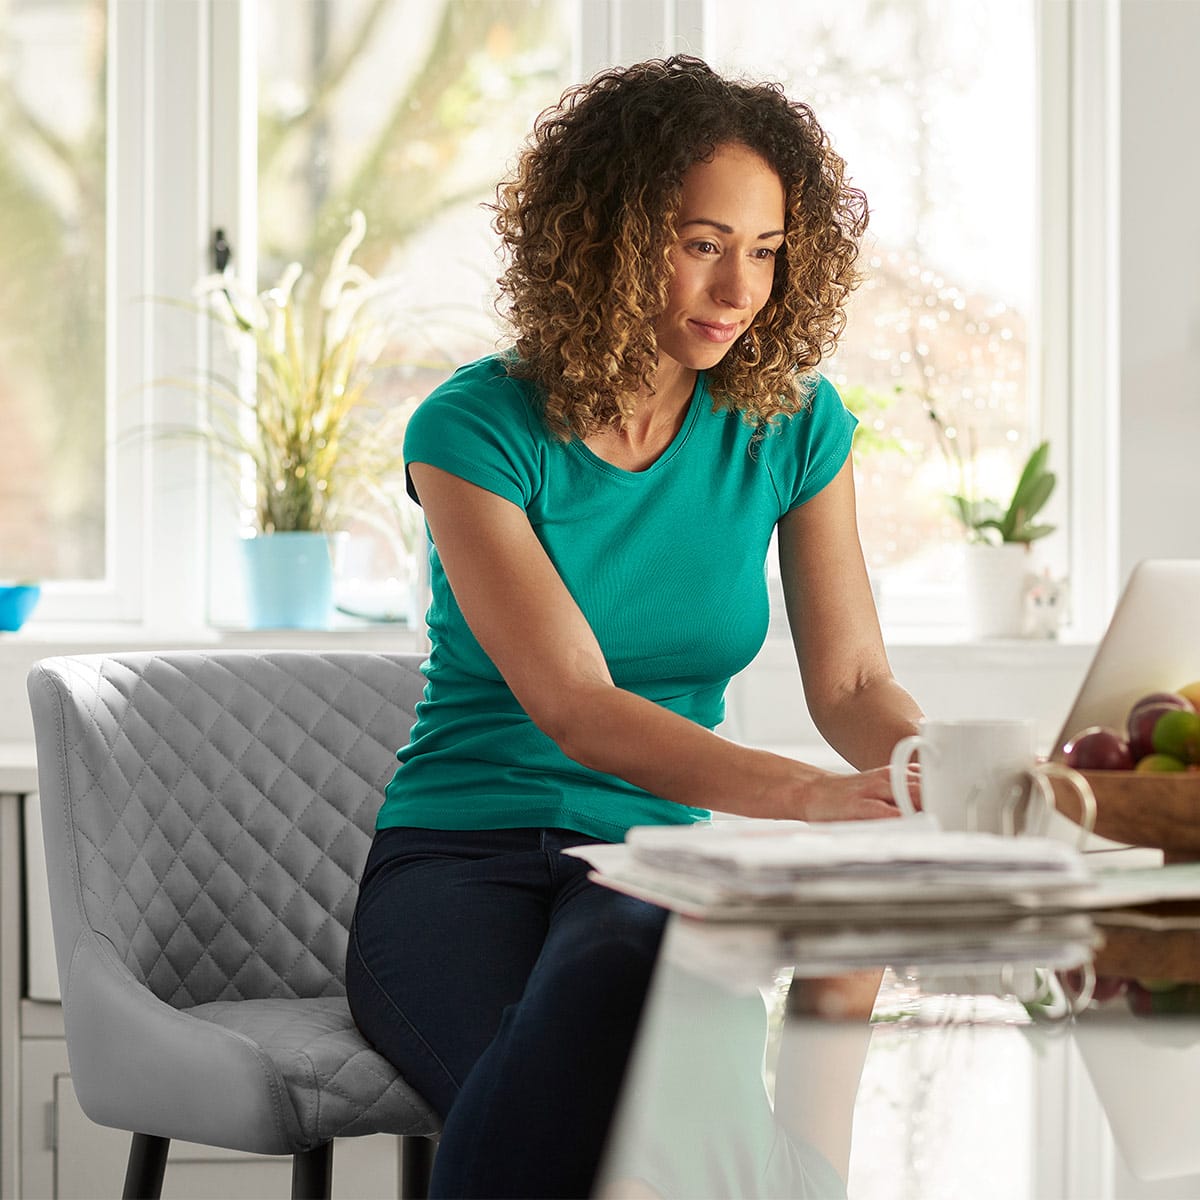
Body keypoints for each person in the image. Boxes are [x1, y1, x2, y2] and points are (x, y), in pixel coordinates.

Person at [346, 54, 923, 1199]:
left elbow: (853, 683)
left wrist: (931, 765)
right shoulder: (474, 427)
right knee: (586, 1084)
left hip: (654, 866)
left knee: (636, 988)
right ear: (603, 237)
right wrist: (808, 796)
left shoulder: (793, 426)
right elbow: (577, 707)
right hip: (463, 863)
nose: (739, 287)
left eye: (765, 251)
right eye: (703, 242)